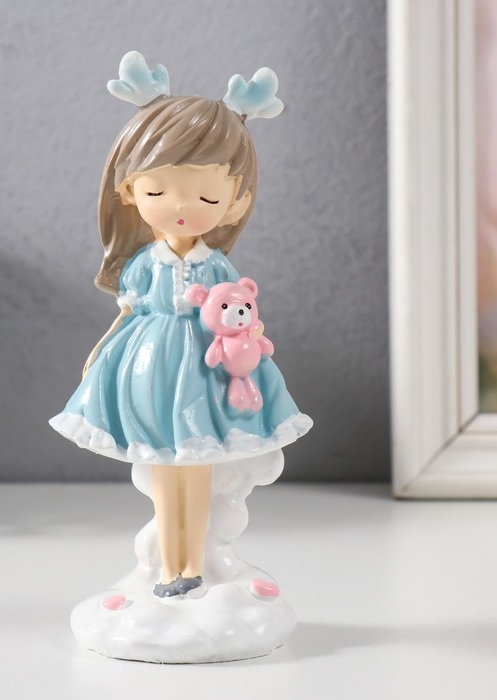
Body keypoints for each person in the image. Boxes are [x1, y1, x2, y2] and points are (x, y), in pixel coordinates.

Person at [50, 51, 312, 598]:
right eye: (157, 191)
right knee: (165, 475)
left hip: (204, 373)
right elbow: (128, 312)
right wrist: (101, 350)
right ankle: (170, 570)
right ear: (129, 191)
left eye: (208, 195)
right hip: (150, 369)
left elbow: (238, 315)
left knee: (198, 470)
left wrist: (251, 347)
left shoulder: (216, 266)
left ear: (235, 203)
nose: (182, 207)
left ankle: (191, 568)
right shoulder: (144, 265)